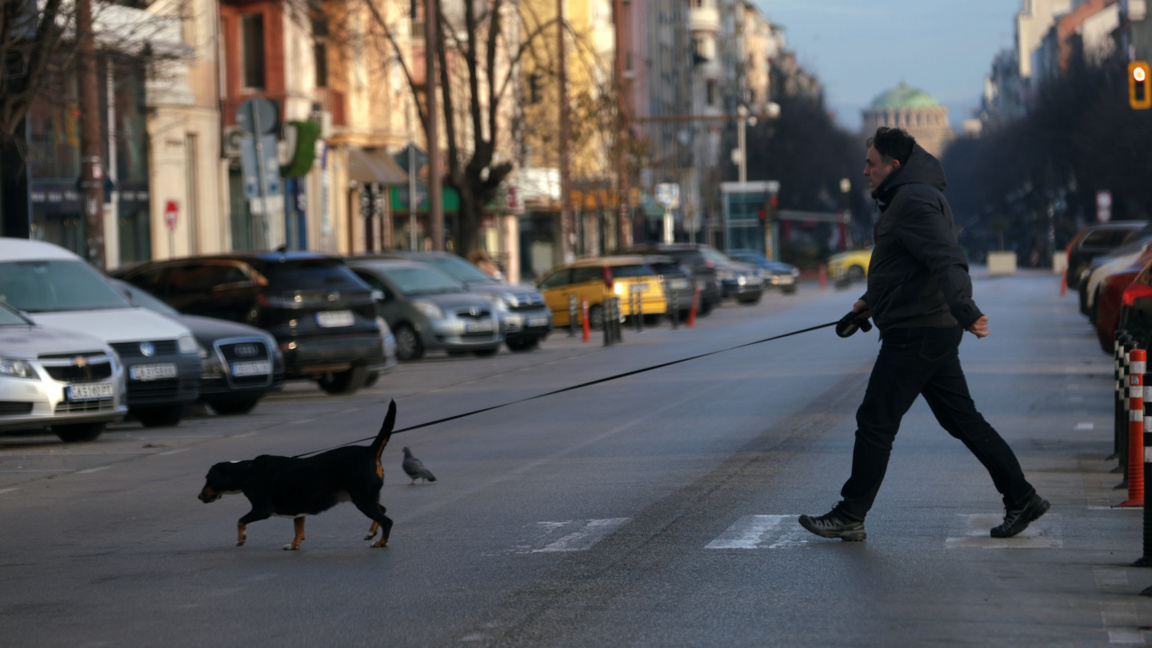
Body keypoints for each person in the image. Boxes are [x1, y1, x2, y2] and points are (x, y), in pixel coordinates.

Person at [798, 127, 1048, 542]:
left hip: (918, 331)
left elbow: (945, 257)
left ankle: (850, 513)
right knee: (963, 421)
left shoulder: (912, 200)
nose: (864, 171)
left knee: (876, 420)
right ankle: (1022, 497)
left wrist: (966, 309)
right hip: (928, 327)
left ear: (893, 166)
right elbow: (906, 268)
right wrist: (869, 302)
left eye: (871, 163)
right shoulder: (907, 196)